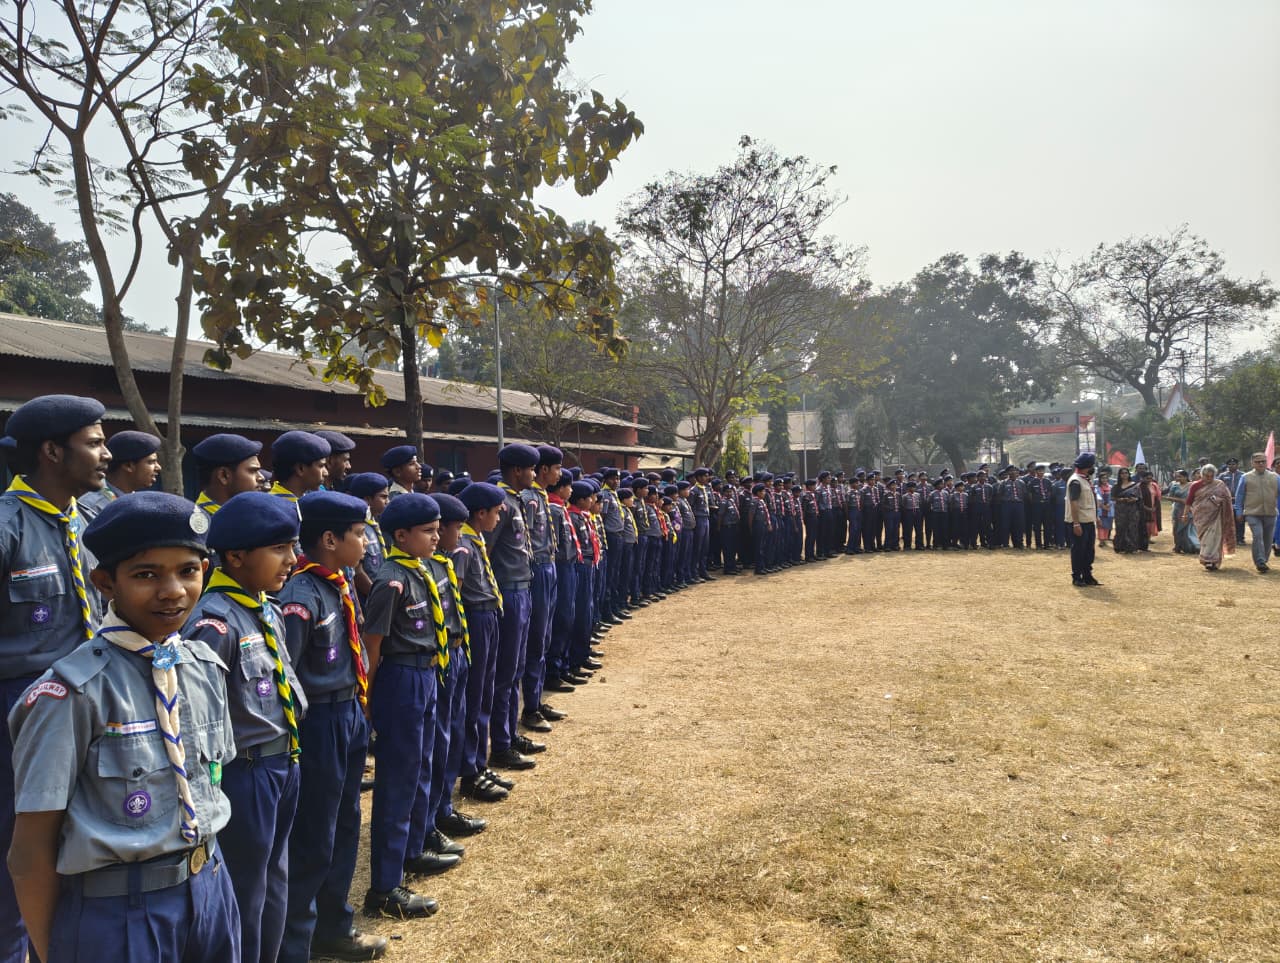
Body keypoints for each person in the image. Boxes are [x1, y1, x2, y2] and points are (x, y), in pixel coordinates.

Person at [8, 492, 239, 963]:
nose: (172, 591)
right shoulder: (72, 693)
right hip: (118, 914)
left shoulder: (204, 667)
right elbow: (29, 851)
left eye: (187, 571)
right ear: (105, 582)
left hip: (211, 887)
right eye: (146, 575)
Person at [0, 394, 110, 960]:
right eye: (94, 443)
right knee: (18, 850)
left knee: (84, 845)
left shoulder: (92, 526)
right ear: (51, 451)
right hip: (18, 713)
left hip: (90, 706)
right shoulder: (7, 526)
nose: (106, 454)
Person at [278, 492, 386, 963]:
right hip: (318, 719)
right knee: (314, 834)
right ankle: (297, 943)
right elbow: (288, 671)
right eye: (358, 534)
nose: (365, 543)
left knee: (345, 823)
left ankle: (334, 924)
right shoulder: (300, 596)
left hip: (348, 712)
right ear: (329, 539)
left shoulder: (339, 583)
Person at [360, 493, 454, 919]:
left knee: (422, 766)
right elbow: (373, 646)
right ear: (401, 535)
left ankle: (413, 849)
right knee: (398, 780)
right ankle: (384, 885)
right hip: (401, 679)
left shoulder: (420, 570)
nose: (436, 537)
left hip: (426, 673)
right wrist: (368, 699)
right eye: (428, 531)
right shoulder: (390, 580)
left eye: (437, 530)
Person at [454, 482, 516, 806]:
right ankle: (469, 771)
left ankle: (479, 763)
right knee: (475, 695)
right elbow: (456, 593)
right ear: (480, 513)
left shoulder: (475, 540)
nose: (499, 516)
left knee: (485, 692)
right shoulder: (463, 546)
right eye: (495, 511)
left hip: (488, 615)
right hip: (475, 619)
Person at [77, 430, 162, 521]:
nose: (158, 467)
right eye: (151, 462)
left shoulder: (135, 500)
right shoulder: (92, 507)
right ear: (128, 466)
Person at [1233, 452, 1278, 573]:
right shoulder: (1246, 477)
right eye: (1258, 462)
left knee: (1268, 539)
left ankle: (1264, 560)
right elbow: (1239, 496)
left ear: (1266, 462)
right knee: (1257, 535)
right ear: (1252, 463)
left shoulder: (1275, 477)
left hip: (1270, 513)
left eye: (1263, 461)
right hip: (1252, 513)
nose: (1261, 464)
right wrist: (1238, 512)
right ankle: (1260, 561)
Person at [1186, 464, 1235, 571]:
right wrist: (1185, 514)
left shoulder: (1219, 484)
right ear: (1202, 475)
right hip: (1200, 517)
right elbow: (1189, 501)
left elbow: (1227, 498)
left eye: (1211, 476)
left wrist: (1218, 500)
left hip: (1217, 516)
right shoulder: (1195, 485)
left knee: (1215, 537)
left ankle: (1212, 561)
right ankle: (1207, 559)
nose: (1209, 478)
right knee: (1205, 539)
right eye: (1206, 476)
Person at [1066, 453, 1100, 586]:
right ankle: (1077, 577)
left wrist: (1095, 516)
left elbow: (1090, 500)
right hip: (1079, 522)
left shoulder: (1085, 479)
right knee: (1078, 550)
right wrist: (1076, 523)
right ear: (1087, 466)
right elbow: (1073, 503)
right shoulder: (1075, 481)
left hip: (1088, 520)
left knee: (1089, 550)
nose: (1093, 468)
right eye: (1092, 465)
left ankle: (1087, 575)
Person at [270, 431, 331, 502]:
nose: (326, 473)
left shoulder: (307, 500)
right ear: (300, 469)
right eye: (321, 466)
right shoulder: (274, 505)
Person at [1110, 468, 1147, 554]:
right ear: (1119, 475)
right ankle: (1120, 546)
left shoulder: (1135, 485)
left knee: (1132, 527)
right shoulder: (1116, 486)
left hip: (1132, 509)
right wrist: (1122, 499)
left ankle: (1131, 547)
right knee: (1120, 527)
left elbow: (1139, 498)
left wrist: (1134, 499)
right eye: (1122, 473)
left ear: (1129, 474)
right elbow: (1112, 497)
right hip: (1120, 510)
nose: (1124, 475)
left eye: (1126, 473)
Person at [1166, 470, 1197, 555]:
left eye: (1180, 476)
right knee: (1176, 528)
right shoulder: (1174, 485)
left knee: (1187, 528)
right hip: (1177, 509)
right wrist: (1180, 500)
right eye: (1176, 477)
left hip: (1189, 509)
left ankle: (1189, 547)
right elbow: (1169, 497)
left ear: (1186, 477)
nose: (1178, 478)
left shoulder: (1192, 485)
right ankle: (1178, 546)